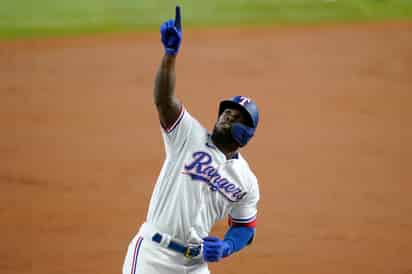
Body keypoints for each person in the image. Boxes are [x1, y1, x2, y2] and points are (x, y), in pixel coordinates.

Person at [122, 6, 260, 274]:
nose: (227, 116)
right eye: (226, 112)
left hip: (195, 265)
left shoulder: (246, 181)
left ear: (246, 134)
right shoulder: (189, 135)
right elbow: (164, 100)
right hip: (154, 255)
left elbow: (245, 228)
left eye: (236, 116)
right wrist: (169, 55)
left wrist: (226, 247)